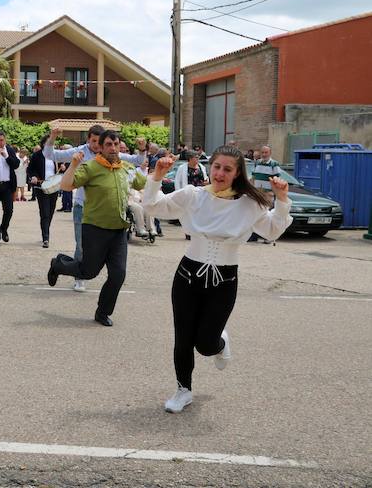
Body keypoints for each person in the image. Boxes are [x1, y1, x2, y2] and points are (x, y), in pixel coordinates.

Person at [144, 147, 292, 413]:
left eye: (227, 169)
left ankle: (220, 342)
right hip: (188, 275)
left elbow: (272, 231)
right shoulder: (193, 195)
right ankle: (183, 390)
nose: (220, 173)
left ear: (237, 174)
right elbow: (153, 206)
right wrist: (156, 176)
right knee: (183, 337)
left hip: (224, 280)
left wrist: (281, 200)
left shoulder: (251, 203)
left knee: (206, 344)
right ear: (209, 167)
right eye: (216, 167)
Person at [47, 130, 146, 325]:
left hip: (118, 231)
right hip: (94, 229)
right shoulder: (90, 167)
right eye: (108, 144)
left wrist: (157, 168)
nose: (113, 148)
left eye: (116, 144)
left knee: (118, 274)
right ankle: (58, 265)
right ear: (100, 148)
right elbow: (66, 186)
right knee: (89, 271)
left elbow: (144, 183)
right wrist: (74, 165)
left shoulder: (125, 168)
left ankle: (102, 312)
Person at [27, 135, 58, 248]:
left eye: (52, 143)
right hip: (41, 187)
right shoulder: (37, 155)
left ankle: (46, 230)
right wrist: (34, 177)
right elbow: (30, 169)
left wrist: (64, 167)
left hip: (54, 187)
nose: (51, 145)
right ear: (43, 144)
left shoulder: (56, 155)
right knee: (44, 212)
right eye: (49, 142)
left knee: (50, 212)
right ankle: (46, 237)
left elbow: (65, 166)